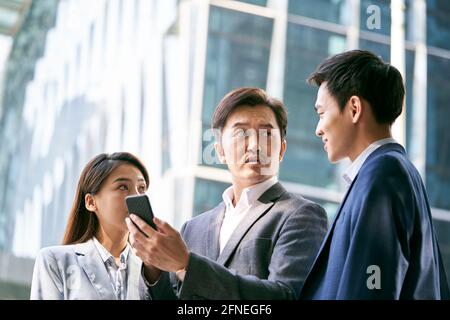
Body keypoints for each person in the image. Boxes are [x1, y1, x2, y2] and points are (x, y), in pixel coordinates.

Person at [126, 87, 328, 300]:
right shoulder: (193, 228)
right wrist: (154, 265)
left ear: (281, 150)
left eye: (267, 134)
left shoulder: (302, 215)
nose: (254, 145)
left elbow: (286, 297)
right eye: (241, 134)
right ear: (220, 151)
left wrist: (187, 264)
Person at [300, 50, 450, 299]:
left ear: (354, 108)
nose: (318, 129)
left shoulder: (382, 175)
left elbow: (372, 288)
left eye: (321, 113)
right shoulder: (392, 172)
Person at [30, 152, 152, 300]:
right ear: (91, 202)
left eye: (141, 187)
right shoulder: (55, 261)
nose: (136, 196)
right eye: (122, 187)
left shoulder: (152, 273)